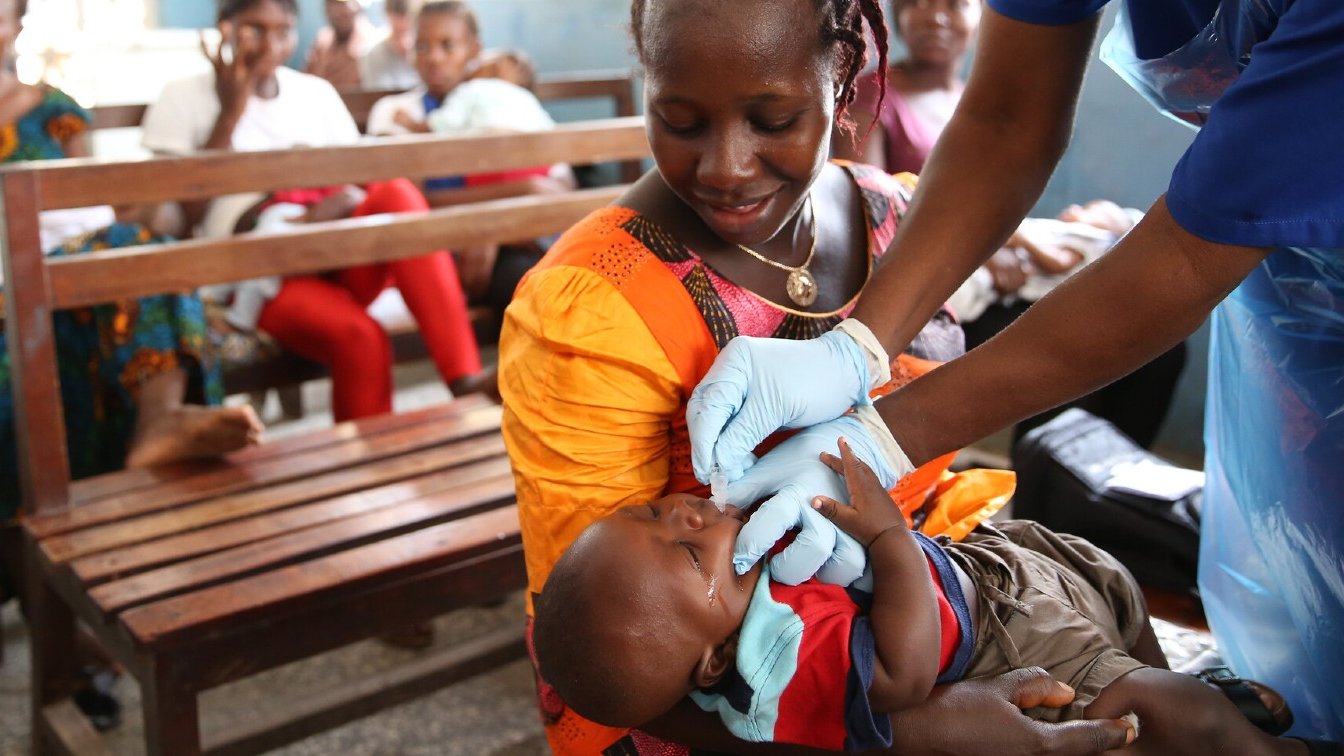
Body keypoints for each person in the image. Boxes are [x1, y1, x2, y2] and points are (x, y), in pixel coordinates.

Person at [687, 0, 1344, 743]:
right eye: (670, 539)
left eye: (770, 118)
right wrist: (858, 346)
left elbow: (1193, 254)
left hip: (1255, 242)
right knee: (1299, 595)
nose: (729, 163)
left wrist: (880, 436)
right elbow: (1006, 116)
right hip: (1281, 289)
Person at [497, 0, 1142, 752]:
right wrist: (907, 731)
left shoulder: (896, 217)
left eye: (772, 120)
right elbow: (608, 663)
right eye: (679, 120)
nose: (726, 167)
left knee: (1148, 694)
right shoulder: (593, 308)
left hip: (944, 607)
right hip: (765, 719)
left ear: (843, 78)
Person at [534, 436, 1317, 755]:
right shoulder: (783, 660)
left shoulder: (733, 601)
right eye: (681, 546)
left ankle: (1181, 685)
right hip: (1002, 635)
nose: (685, 510)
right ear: (712, 665)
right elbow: (904, 673)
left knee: (1112, 589)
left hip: (991, 566)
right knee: (1167, 705)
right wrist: (887, 543)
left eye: (649, 512)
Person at [0, 0, 260, 730]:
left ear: (17, 22)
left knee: (136, 249)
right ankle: (83, 635)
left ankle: (159, 423)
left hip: (62, 286)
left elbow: (84, 206)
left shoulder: (57, 113)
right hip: (8, 298)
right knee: (34, 380)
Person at [833, 0, 1183, 450]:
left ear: (984, 14)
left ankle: (1105, 488)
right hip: (928, 283)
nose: (933, 17)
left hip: (998, 259)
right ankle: (1045, 481)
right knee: (1071, 332)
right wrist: (994, 248)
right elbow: (871, 204)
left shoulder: (978, 102)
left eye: (953, 4)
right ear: (897, 16)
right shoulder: (876, 94)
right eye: (918, 2)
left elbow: (1000, 201)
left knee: (1157, 342)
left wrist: (1041, 235)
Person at [141, 0, 490, 423]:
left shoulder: (313, 93)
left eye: (283, 30)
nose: (271, 43)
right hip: (259, 272)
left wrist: (333, 204)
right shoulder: (185, 96)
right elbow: (181, 216)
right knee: (360, 338)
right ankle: (364, 479)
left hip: (333, 249)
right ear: (225, 28)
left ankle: (464, 378)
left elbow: (358, 180)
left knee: (397, 194)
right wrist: (231, 110)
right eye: (254, 29)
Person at [366, 1, 573, 308]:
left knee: (557, 286)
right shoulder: (394, 112)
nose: (433, 58)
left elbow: (560, 185)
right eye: (422, 46)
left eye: (447, 46)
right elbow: (408, 201)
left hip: (514, 239)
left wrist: (496, 228)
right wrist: (494, 215)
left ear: (474, 50)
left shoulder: (505, 104)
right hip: (438, 248)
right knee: (532, 292)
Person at [303, 0, 373, 89]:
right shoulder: (322, 39)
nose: (336, 11)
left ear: (358, 6)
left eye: (342, 4)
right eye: (331, 4)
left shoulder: (371, 45)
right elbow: (306, 80)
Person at [359, 0, 419, 90]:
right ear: (388, 14)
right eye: (399, 16)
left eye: (408, 16)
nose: (403, 23)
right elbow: (374, 93)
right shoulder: (373, 53)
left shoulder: (423, 51)